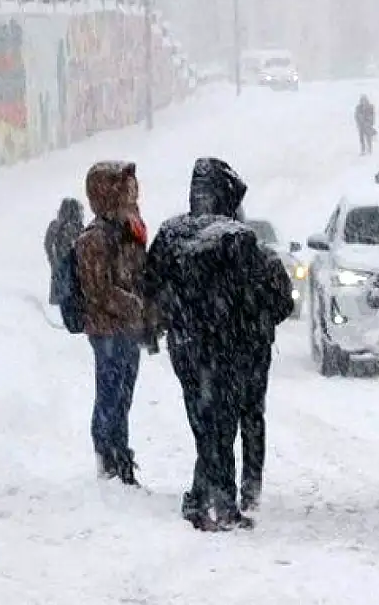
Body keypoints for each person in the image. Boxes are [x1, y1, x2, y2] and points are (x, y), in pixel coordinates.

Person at [144, 157, 294, 531]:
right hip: (227, 346)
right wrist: (249, 326)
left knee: (202, 420)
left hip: (186, 343)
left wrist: (171, 320)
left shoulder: (171, 234)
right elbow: (257, 296)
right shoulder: (238, 239)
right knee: (223, 423)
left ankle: (201, 496)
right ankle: (221, 502)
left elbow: (151, 286)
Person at [74, 160, 154, 486]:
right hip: (107, 329)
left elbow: (138, 275)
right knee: (110, 394)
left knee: (123, 395)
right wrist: (134, 305)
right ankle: (109, 459)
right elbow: (99, 290)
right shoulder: (95, 238)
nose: (132, 197)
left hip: (127, 329)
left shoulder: (129, 230)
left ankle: (120, 455)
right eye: (125, 190)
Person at [44, 198, 85, 305]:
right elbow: (48, 244)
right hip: (67, 265)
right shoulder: (76, 228)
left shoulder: (75, 227)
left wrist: (52, 259)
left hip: (67, 266)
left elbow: (48, 244)